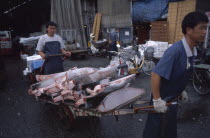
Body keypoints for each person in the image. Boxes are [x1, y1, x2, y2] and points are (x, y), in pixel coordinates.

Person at [143, 12, 208, 138]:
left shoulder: (192, 51)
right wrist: (157, 100)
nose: (205, 32)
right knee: (155, 132)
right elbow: (156, 74)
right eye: (202, 28)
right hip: (161, 102)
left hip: (172, 100)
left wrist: (181, 91)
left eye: (206, 28)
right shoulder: (176, 51)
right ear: (189, 30)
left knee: (169, 131)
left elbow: (180, 73)